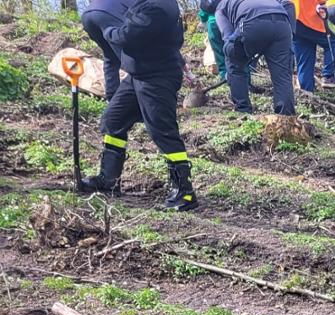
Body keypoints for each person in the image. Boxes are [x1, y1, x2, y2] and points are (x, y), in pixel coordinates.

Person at [78, 0, 198, 211]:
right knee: (113, 120)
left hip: (157, 77)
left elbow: (127, 36)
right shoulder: (148, 3)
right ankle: (109, 180)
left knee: (162, 131)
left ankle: (184, 192)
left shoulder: (156, 7)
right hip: (138, 74)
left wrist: (108, 31)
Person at [216, 0, 296, 115]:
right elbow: (289, 4)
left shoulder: (221, 8)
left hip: (251, 22)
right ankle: (286, 115)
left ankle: (243, 110)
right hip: (282, 23)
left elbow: (228, 38)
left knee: (233, 59)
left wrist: (231, 72)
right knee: (282, 76)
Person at [80, 0, 132, 99]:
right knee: (134, 61)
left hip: (88, 15)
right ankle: (137, 99)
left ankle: (112, 97)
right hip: (109, 16)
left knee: (110, 56)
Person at [292, 0, 328, 92]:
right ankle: (329, 76)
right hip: (307, 20)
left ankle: (307, 92)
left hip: (293, 19)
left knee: (305, 58)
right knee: (334, 43)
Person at [199, 0, 228, 79]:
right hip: (227, 22)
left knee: (219, 52)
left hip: (213, 25)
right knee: (232, 48)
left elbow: (202, 15)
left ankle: (224, 76)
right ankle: (238, 73)